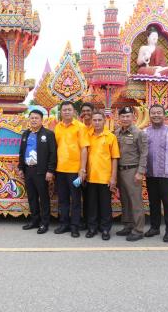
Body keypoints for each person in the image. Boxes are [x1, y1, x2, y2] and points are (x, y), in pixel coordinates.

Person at [144, 104, 168, 242]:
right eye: (153, 113)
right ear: (150, 115)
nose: (156, 115)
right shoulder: (145, 132)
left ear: (164, 115)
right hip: (150, 173)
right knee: (153, 202)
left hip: (167, 174)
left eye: (159, 112)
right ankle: (155, 227)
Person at [54, 101, 89, 238]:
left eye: (69, 109)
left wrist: (82, 169)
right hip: (60, 169)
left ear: (74, 111)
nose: (67, 112)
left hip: (75, 170)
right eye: (64, 110)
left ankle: (75, 226)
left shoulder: (80, 127)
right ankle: (64, 224)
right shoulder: (57, 127)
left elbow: (84, 149)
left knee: (75, 199)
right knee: (63, 199)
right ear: (61, 112)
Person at [18, 109, 57, 234]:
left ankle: (44, 223)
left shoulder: (48, 134)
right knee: (32, 197)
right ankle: (34, 220)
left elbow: (53, 153)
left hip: (41, 171)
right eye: (32, 118)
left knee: (43, 198)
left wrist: (50, 170)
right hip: (28, 170)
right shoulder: (26, 134)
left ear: (41, 120)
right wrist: (21, 167)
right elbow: (21, 152)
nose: (34, 120)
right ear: (29, 119)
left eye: (36, 118)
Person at [115, 106, 148, 241]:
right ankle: (128, 225)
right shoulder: (117, 132)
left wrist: (140, 172)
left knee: (135, 201)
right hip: (120, 171)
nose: (125, 119)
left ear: (133, 117)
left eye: (128, 116)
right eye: (122, 116)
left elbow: (144, 154)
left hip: (133, 171)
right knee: (125, 200)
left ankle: (138, 230)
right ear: (119, 118)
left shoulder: (139, 133)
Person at [85, 110, 119, 241]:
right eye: (95, 120)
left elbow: (114, 158)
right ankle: (92, 228)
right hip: (90, 177)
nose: (97, 122)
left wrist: (113, 177)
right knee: (91, 205)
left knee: (105, 205)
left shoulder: (111, 137)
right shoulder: (87, 135)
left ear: (104, 121)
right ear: (91, 121)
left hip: (105, 177)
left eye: (99, 120)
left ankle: (105, 229)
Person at [79, 102, 94, 230]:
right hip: (81, 166)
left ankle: (94, 222)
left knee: (93, 196)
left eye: (88, 110)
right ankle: (85, 221)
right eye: (83, 111)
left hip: (95, 167)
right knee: (84, 195)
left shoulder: (98, 127)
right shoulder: (80, 127)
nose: (86, 113)